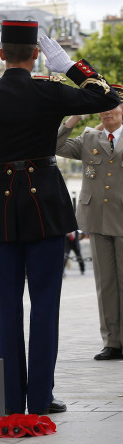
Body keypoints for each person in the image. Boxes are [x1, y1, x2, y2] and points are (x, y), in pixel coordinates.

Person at [0, 22, 120, 415]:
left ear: (0, 54)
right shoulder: (49, 91)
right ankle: (40, 396)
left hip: (1, 210)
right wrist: (71, 66)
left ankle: (13, 397)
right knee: (45, 305)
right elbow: (108, 97)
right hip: (46, 206)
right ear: (36, 55)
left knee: (5, 308)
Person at [56, 86, 123, 360]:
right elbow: (55, 145)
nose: (107, 111)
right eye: (103, 106)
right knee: (105, 283)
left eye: (113, 105)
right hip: (97, 218)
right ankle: (112, 341)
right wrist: (73, 117)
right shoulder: (88, 137)